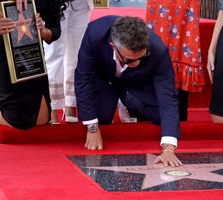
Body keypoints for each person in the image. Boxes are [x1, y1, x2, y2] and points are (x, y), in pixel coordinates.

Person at [75, 16, 182, 167]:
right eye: (130, 60)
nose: (136, 63)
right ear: (113, 47)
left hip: (138, 82)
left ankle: (127, 102)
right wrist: (92, 128)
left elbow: (168, 96)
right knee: (102, 119)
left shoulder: (158, 49)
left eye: (141, 58)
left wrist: (169, 148)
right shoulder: (95, 33)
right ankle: (115, 101)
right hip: (104, 79)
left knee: (159, 116)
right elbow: (83, 77)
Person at [0, 0, 69, 129]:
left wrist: (43, 31)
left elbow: (54, 31)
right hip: (0, 52)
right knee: (18, 119)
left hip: (32, 55)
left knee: (43, 119)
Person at [146, 0, 204, 121]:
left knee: (183, 49)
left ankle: (179, 118)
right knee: (159, 45)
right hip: (161, 5)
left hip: (185, 5)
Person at [44, 0, 94, 124]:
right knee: (54, 52)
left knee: (78, 52)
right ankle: (52, 108)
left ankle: (71, 104)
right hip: (56, 3)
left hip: (81, 2)